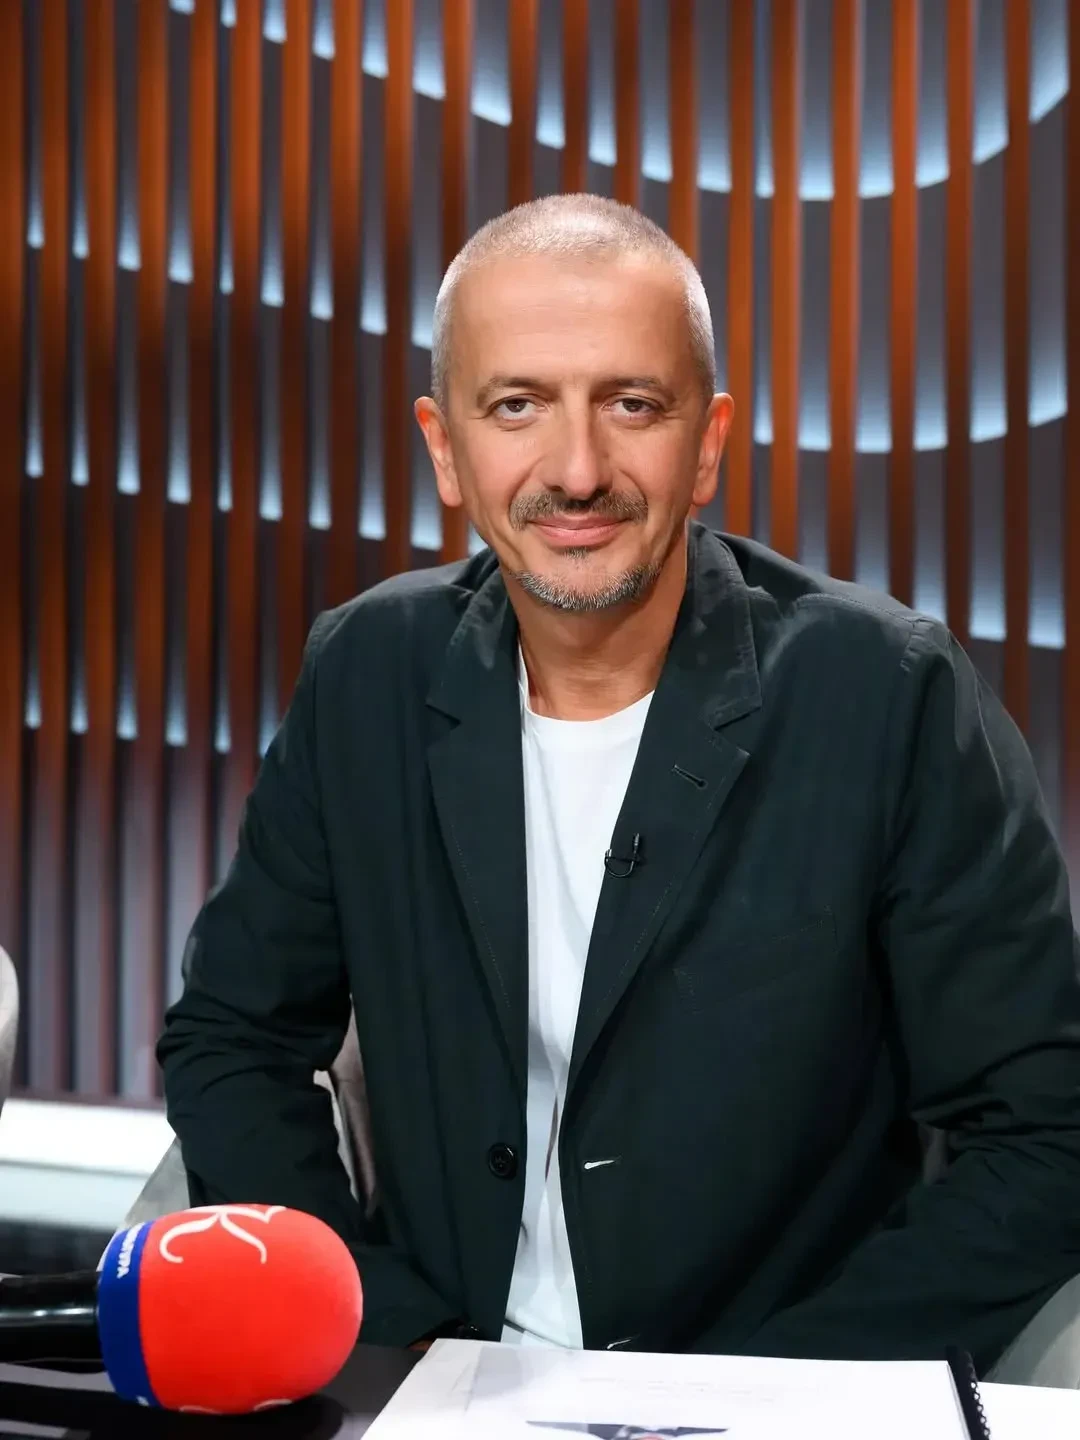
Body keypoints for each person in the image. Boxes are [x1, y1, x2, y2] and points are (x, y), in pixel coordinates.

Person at [158, 194, 1080, 1372]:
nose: (578, 470)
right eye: (518, 405)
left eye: (632, 404)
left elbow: (1048, 1131)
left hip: (774, 1387)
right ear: (446, 448)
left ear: (708, 443)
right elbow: (233, 1040)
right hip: (437, 1377)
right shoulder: (368, 671)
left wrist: (785, 1396)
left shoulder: (888, 696)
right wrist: (379, 1328)